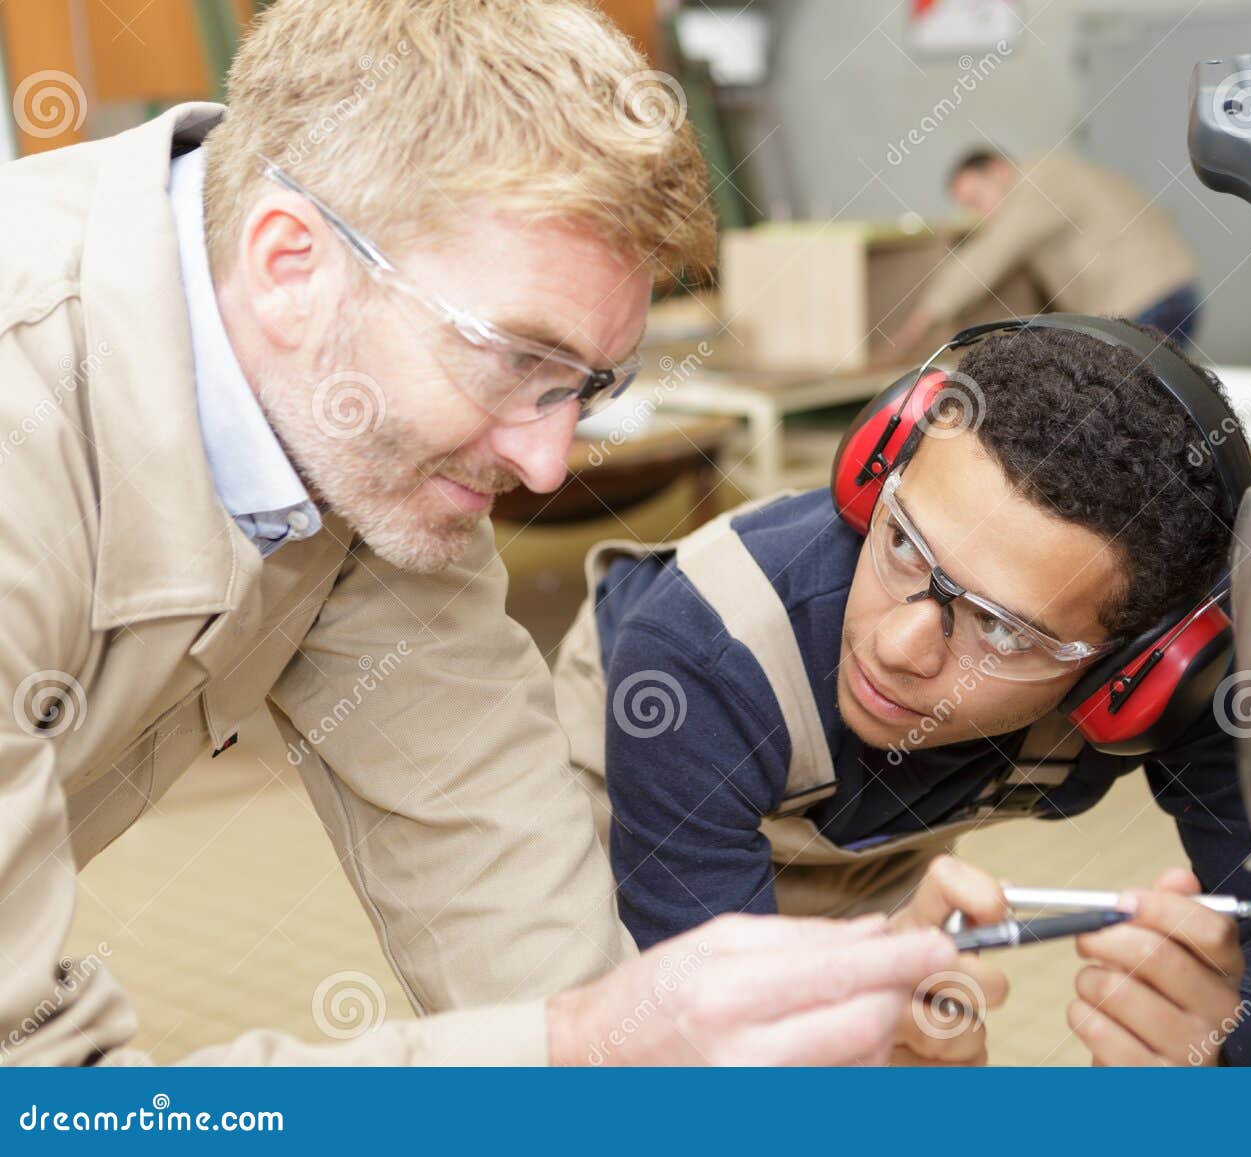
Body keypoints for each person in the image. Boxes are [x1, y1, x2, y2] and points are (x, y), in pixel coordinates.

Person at [0, 0, 956, 1067]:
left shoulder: (354, 440)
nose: (548, 466)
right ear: (289, 267)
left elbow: (502, 885)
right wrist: (578, 1047)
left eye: (585, 385)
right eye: (516, 361)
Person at [554, 319, 1251, 1066]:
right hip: (644, 773)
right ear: (876, 472)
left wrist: (1227, 1072)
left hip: (867, 831)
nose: (896, 649)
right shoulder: (699, 661)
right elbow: (714, 1059)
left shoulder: (1187, 682)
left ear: (1135, 673)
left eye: (1001, 629)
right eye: (901, 541)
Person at [892, 149, 1203, 350]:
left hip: (1149, 300)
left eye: (976, 199)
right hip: (1165, 291)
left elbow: (992, 253)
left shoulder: (1039, 185)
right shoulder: (1054, 173)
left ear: (999, 170)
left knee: (1123, 402)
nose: (980, 214)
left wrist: (926, 312)